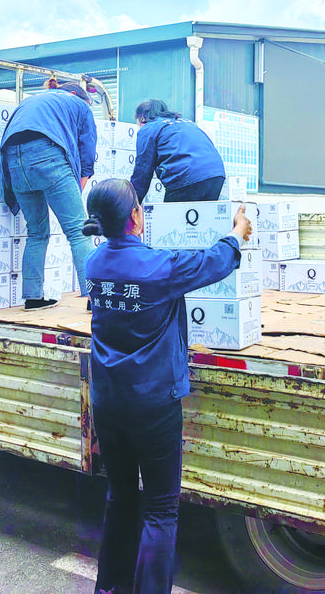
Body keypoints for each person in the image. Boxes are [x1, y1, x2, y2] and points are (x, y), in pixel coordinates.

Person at [83, 178, 251, 594]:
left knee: (120, 497)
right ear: (136, 216)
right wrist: (237, 232)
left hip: (108, 401)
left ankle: (110, 589)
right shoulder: (159, 268)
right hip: (153, 404)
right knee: (160, 510)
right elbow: (214, 262)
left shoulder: (94, 264)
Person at [0, 81, 96, 310]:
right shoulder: (79, 104)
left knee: (36, 232)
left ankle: (33, 298)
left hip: (13, 161)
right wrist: (75, 193)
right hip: (47, 154)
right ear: (74, 94)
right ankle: (96, 298)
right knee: (78, 230)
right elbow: (87, 155)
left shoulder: (33, 100)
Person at [129, 99, 226, 203]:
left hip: (187, 176)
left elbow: (142, 170)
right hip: (216, 175)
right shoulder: (186, 123)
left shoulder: (148, 128)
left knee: (173, 213)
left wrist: (132, 204)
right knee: (202, 213)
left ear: (142, 118)